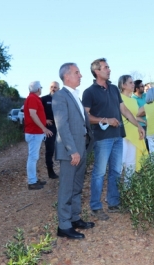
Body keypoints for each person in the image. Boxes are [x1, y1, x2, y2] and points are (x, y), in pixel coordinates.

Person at [82, 58, 144, 221]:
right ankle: (95, 206)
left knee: (116, 171)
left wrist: (137, 125)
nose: (109, 70)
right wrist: (106, 120)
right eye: (106, 67)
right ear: (97, 71)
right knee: (99, 172)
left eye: (108, 67)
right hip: (102, 138)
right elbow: (85, 116)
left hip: (118, 136)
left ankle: (113, 203)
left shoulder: (114, 90)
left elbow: (123, 109)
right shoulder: (89, 92)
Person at [53, 63, 95, 239]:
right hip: (70, 151)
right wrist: (72, 151)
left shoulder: (75, 96)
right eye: (77, 72)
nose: (81, 75)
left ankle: (74, 218)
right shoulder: (60, 96)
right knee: (67, 188)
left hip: (81, 147)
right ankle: (63, 226)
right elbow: (62, 126)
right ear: (67, 76)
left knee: (77, 186)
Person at [118, 75, 148, 185]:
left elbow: (134, 116)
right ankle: (114, 191)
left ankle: (127, 188)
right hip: (122, 133)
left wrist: (141, 125)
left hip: (134, 132)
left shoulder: (133, 101)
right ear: (123, 85)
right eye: (130, 82)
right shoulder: (118, 97)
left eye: (133, 82)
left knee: (131, 162)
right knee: (120, 162)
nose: (133, 85)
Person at [24, 81, 53, 190]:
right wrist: (44, 128)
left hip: (35, 132)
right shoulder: (32, 98)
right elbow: (32, 114)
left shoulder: (34, 98)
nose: (41, 89)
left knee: (34, 157)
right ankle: (31, 181)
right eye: (40, 87)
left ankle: (34, 179)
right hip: (34, 132)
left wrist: (44, 121)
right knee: (32, 157)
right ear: (38, 89)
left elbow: (35, 114)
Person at [41, 81, 60, 179]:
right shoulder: (44, 99)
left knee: (63, 149)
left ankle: (65, 170)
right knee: (50, 149)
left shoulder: (62, 99)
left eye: (55, 87)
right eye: (52, 87)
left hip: (61, 126)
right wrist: (44, 120)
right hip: (50, 127)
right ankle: (50, 171)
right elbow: (37, 112)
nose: (53, 88)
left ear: (59, 89)